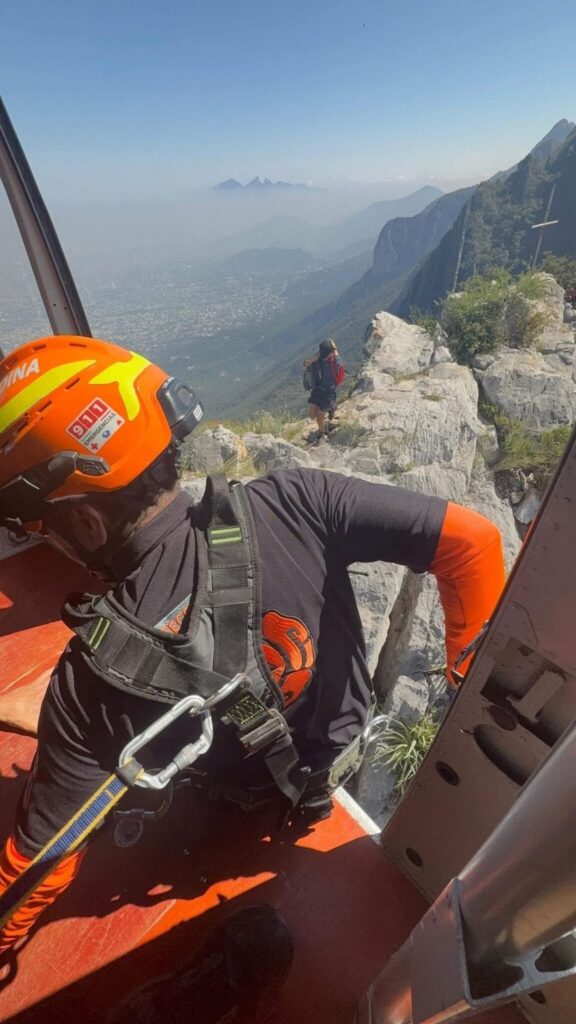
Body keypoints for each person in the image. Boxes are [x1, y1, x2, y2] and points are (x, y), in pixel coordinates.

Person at [0, 334, 506, 960]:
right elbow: (473, 544)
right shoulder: (296, 501)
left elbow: (34, 869)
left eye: (43, 527)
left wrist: (73, 732)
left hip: (231, 822)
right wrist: (465, 685)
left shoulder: (91, 680)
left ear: (85, 522)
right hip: (351, 766)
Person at [306, 338, 344, 442]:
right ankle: (330, 408)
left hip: (329, 392)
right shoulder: (319, 357)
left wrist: (334, 348)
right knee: (312, 415)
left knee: (319, 417)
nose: (323, 356)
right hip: (318, 388)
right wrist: (311, 360)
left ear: (331, 353)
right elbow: (305, 364)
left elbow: (336, 355)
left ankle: (322, 432)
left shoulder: (336, 361)